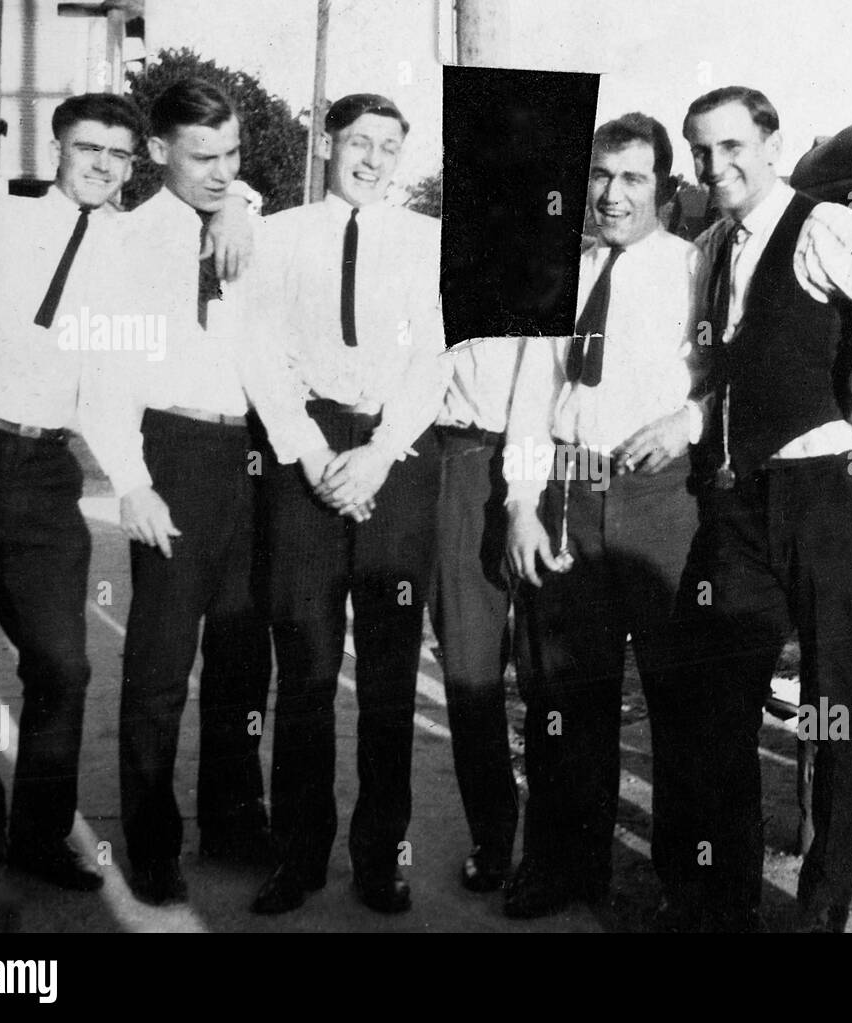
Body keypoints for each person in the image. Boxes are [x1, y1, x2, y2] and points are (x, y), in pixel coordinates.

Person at [665, 86, 852, 932]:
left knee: (838, 709)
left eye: (731, 147)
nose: (715, 166)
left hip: (830, 496)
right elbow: (713, 373)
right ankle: (727, 902)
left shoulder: (822, 226)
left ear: (770, 144)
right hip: (741, 505)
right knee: (717, 695)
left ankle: (822, 908)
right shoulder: (710, 248)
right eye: (700, 151)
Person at [0, 93, 145, 900]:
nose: (103, 165)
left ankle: (41, 832)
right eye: (90, 148)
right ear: (58, 145)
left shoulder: (128, 250)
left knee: (62, 664)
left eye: (119, 154)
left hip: (44, 472)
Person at [242, 93, 448, 916]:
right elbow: (258, 349)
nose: (370, 158)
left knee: (391, 674)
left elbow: (435, 355)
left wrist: (380, 452)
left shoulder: (427, 242)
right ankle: (298, 856)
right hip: (307, 453)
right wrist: (315, 452)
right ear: (325, 142)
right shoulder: (279, 235)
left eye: (387, 146)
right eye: (357, 140)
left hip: (395, 452)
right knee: (307, 672)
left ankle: (379, 857)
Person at [80, 78, 280, 906]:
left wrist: (237, 199)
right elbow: (102, 379)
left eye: (233, 154)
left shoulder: (245, 214)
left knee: (241, 655)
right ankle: (152, 844)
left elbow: (249, 198)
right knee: (160, 663)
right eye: (203, 157)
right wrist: (132, 483)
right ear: (157, 151)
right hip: (174, 450)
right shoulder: (122, 243)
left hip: (252, 454)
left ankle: (234, 821)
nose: (221, 171)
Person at [502, 112, 701, 919]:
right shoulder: (564, 273)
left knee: (679, 701)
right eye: (601, 177)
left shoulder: (698, 271)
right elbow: (527, 401)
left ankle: (686, 885)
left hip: (663, 501)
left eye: (633, 179)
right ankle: (562, 867)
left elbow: (733, 374)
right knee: (563, 697)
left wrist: (687, 420)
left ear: (664, 187)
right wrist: (520, 503)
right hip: (568, 496)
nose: (613, 195)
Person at [431, 336, 524, 894]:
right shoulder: (437, 260)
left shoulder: (579, 265)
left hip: (557, 463)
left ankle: (562, 851)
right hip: (465, 458)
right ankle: (492, 839)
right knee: (471, 667)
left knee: (555, 670)